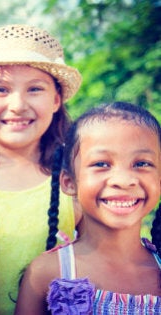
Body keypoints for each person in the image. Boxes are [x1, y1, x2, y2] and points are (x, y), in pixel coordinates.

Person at [0, 24, 83, 314]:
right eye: (0, 89)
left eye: (35, 89)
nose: (18, 105)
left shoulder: (74, 187)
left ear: (56, 100)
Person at [15, 102, 161, 314]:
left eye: (141, 164)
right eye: (101, 164)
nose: (123, 180)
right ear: (68, 182)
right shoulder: (48, 272)